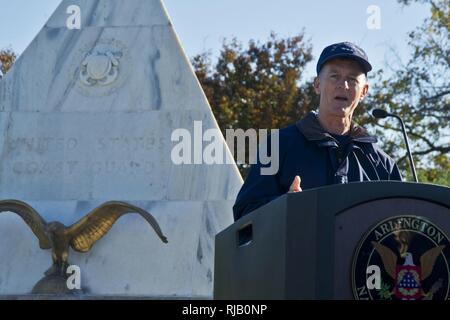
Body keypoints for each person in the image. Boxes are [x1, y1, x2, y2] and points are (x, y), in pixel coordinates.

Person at [233, 41, 402, 221]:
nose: (343, 85)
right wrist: (286, 205)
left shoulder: (382, 164)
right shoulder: (277, 146)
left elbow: (401, 224)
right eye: (334, 76)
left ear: (364, 91)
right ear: (317, 85)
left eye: (352, 79)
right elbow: (245, 214)